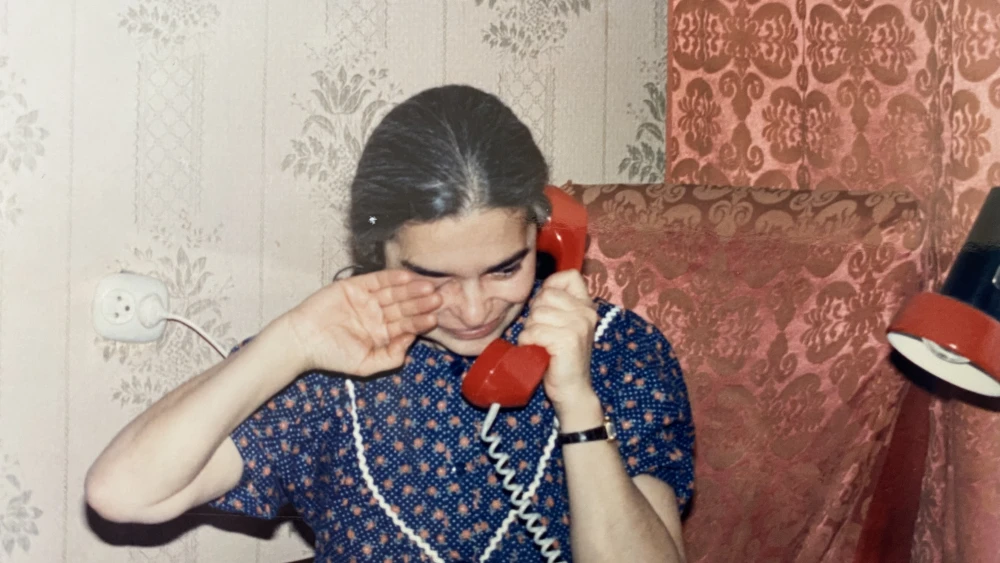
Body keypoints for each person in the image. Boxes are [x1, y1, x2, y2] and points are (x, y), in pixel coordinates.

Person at [86, 85, 695, 563]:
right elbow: (122, 494)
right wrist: (291, 343)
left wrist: (578, 404)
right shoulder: (332, 365)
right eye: (435, 278)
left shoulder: (618, 351)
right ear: (379, 253)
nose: (476, 308)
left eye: (505, 268)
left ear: (548, 236)